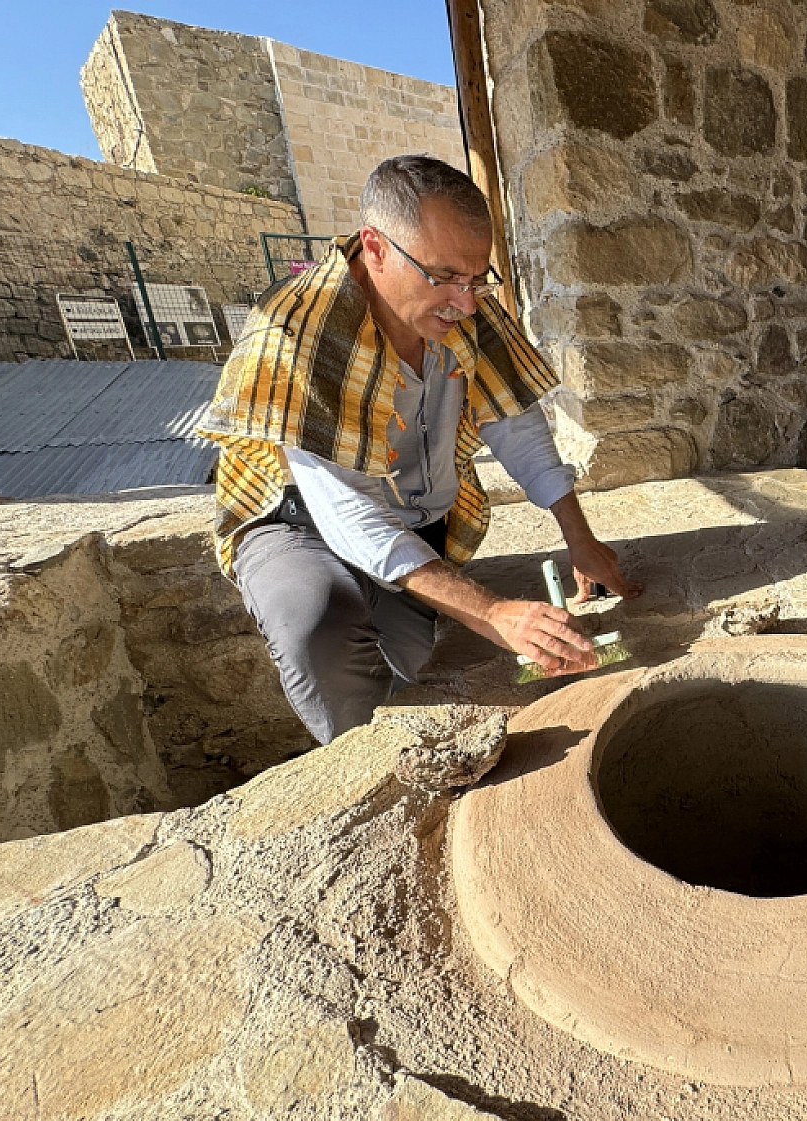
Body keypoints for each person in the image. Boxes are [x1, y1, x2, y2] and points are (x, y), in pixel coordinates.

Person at [197, 154, 639, 744]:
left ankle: (411, 739)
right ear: (376, 249)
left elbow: (516, 426)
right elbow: (345, 510)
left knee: (413, 666)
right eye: (444, 276)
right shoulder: (300, 332)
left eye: (476, 277)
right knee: (319, 623)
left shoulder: (459, 305)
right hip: (297, 519)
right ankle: (368, 770)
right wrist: (490, 613)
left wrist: (578, 537)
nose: (467, 303)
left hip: (412, 517)